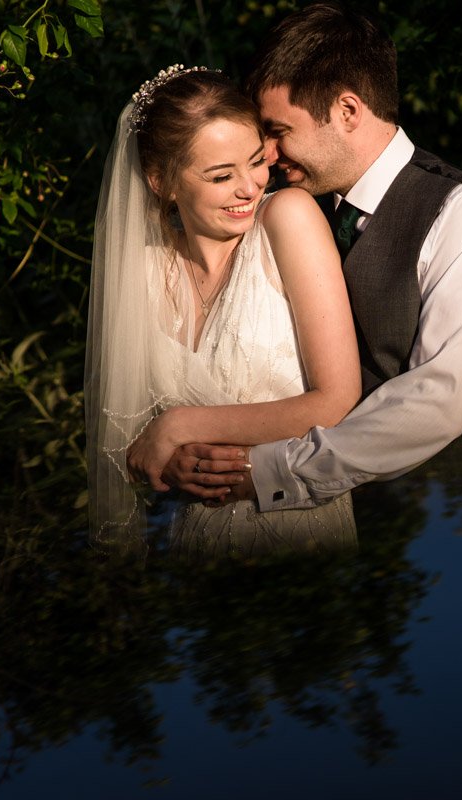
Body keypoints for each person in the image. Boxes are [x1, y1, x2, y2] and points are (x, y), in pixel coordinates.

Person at [165, 3, 462, 511]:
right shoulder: (297, 217)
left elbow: (440, 400)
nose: (267, 157)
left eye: (278, 132)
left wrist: (273, 469)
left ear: (346, 111)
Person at [84, 66, 361, 555]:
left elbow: (337, 402)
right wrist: (166, 464)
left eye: (255, 161)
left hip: (301, 533)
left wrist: (179, 426)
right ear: (161, 181)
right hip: (197, 549)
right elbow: (125, 440)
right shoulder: (142, 273)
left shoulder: (287, 218)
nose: (249, 187)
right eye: (220, 175)